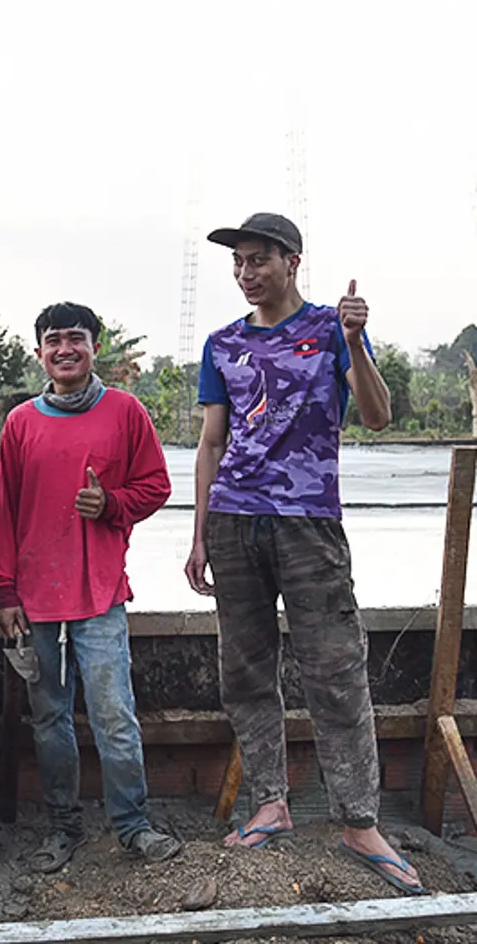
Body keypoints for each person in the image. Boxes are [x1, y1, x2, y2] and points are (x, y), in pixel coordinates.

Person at [185, 214, 419, 894]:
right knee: (246, 672)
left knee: (336, 671)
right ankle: (269, 804)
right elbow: (210, 443)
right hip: (234, 521)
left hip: (308, 522)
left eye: (258, 260)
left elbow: (376, 416)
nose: (245, 273)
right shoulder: (222, 343)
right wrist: (199, 533)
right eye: (238, 264)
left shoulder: (330, 329)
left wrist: (355, 344)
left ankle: (358, 819)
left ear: (291, 261)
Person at [0, 302, 182, 874]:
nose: (65, 349)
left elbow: (156, 485)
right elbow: (6, 511)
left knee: (114, 715)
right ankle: (62, 827)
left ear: (97, 347)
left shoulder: (126, 412)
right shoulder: (21, 422)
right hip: (35, 599)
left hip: (100, 595)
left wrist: (112, 504)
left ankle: (132, 825)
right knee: (49, 718)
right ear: (40, 352)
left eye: (77, 339)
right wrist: (4, 593)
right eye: (53, 340)